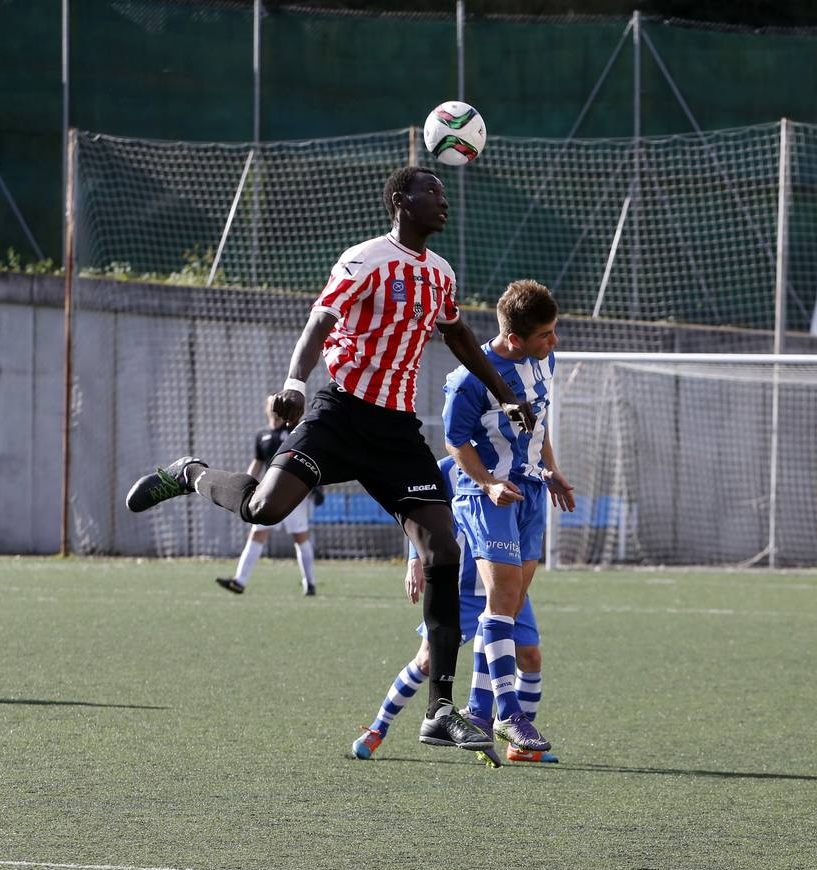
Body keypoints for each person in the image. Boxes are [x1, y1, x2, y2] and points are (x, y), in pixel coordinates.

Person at [125, 165, 537, 754]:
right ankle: (189, 473)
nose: (443, 201)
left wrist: (504, 393)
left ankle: (440, 708)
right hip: (340, 414)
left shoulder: (440, 274)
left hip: (395, 434)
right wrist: (294, 382)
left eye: (445, 193)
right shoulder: (366, 258)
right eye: (433, 192)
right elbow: (322, 317)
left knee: (444, 551)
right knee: (264, 510)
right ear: (401, 200)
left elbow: (460, 337)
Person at [350, 455, 558, 765]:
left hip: (505, 585)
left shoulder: (517, 464)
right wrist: (414, 559)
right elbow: (418, 511)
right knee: (426, 661)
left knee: (530, 656)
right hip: (461, 586)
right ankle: (377, 729)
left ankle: (520, 744)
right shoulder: (448, 468)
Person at [442, 279, 574, 754]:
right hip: (490, 499)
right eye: (545, 335)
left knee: (509, 607)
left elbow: (534, 424)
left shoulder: (544, 361)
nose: (553, 342)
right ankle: (509, 716)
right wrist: (489, 483)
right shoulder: (469, 379)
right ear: (514, 338)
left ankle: (478, 713)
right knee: (500, 601)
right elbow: (455, 443)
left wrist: (552, 471)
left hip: (532, 493)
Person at [215, 394, 319, 597]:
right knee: (257, 535)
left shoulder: (293, 430)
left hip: (293, 495)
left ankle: (310, 583)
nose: (275, 408)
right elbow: (257, 463)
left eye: (277, 404)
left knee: (300, 538)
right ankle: (239, 582)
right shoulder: (262, 435)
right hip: (268, 494)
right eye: (271, 405)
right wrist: (242, 484)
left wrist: (316, 487)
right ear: (266, 408)